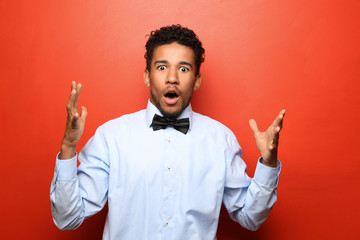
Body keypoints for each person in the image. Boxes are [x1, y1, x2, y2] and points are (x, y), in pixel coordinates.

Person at [50, 24, 285, 240]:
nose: (172, 78)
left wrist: (268, 164)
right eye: (162, 67)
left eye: (183, 69)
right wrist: (68, 148)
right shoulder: (111, 138)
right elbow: (67, 218)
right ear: (147, 76)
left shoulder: (220, 140)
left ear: (196, 81)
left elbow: (250, 218)